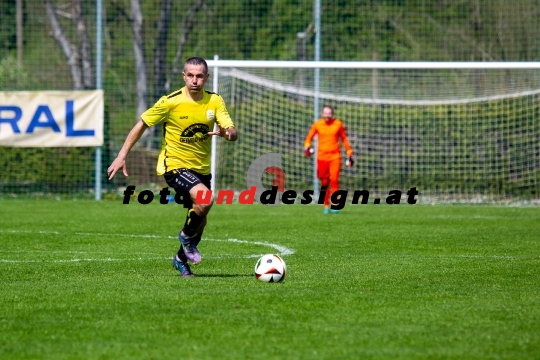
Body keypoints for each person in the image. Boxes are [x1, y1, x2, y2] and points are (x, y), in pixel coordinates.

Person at [107, 56, 237, 277]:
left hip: (201, 168)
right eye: (191, 75)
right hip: (174, 165)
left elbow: (231, 131)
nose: (195, 80)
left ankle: (179, 258)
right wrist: (122, 155)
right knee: (206, 199)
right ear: (184, 76)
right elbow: (142, 125)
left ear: (206, 77)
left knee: (201, 219)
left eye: (199, 76)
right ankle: (186, 238)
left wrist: (227, 133)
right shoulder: (170, 101)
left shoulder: (214, 101)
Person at [304, 105, 353, 214]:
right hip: (321, 157)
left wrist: (349, 153)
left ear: (332, 114)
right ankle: (326, 205)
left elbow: (344, 139)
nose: (327, 115)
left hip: (335, 156)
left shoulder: (338, 124)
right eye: (325, 113)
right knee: (325, 182)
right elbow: (309, 138)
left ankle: (335, 205)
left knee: (334, 180)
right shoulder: (317, 124)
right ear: (322, 114)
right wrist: (307, 147)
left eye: (329, 113)